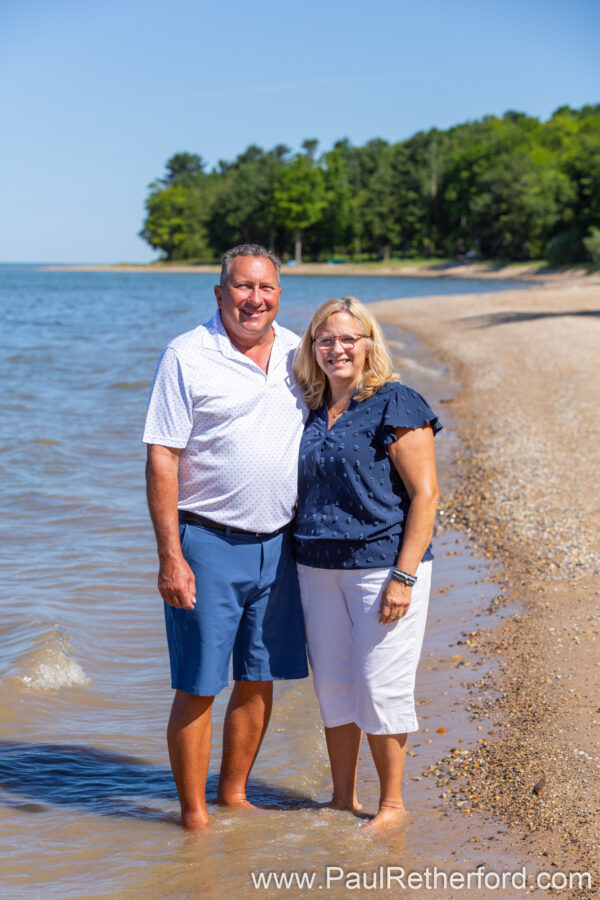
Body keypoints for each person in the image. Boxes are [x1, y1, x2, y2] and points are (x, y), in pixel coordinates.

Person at [143, 244, 308, 830]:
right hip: (207, 543)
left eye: (265, 288)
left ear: (279, 295)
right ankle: (194, 819)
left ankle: (233, 796)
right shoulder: (186, 355)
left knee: (259, 678)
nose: (254, 299)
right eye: (242, 287)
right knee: (199, 684)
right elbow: (162, 456)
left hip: (281, 545)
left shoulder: (298, 352)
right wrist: (171, 557)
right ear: (220, 293)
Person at [292, 296, 442, 834]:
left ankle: (393, 806)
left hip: (383, 568)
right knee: (333, 690)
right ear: (313, 348)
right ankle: (341, 799)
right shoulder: (310, 407)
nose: (337, 349)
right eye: (325, 340)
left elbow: (425, 495)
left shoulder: (395, 401)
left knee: (381, 687)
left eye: (348, 339)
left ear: (368, 344)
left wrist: (403, 576)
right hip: (315, 568)